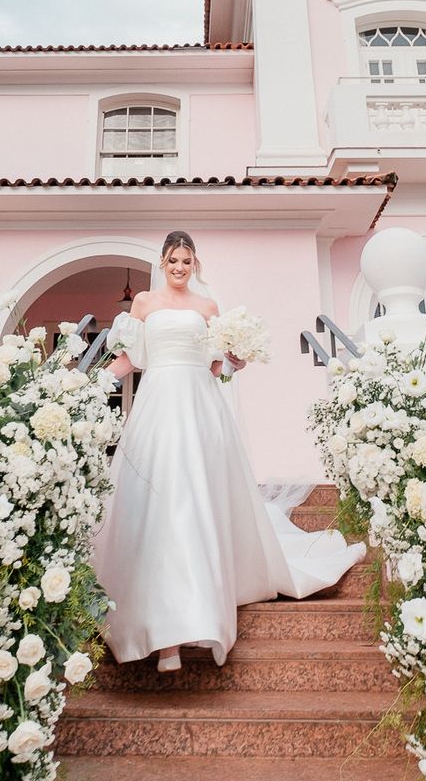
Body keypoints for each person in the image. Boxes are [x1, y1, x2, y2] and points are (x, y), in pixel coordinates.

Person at [91, 231, 365, 672]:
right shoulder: (142, 303)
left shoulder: (208, 309)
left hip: (200, 406)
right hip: (159, 404)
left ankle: (191, 622)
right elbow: (129, 361)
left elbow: (218, 369)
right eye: (174, 260)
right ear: (162, 261)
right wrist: (82, 387)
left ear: (194, 264)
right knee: (157, 500)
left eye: (187, 261)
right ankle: (161, 630)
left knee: (193, 501)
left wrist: (237, 359)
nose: (180, 267)